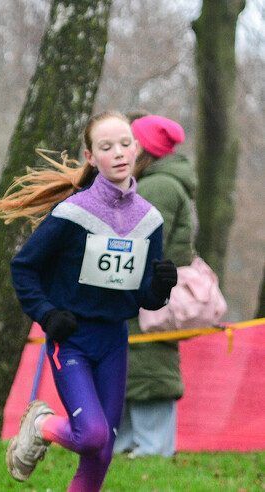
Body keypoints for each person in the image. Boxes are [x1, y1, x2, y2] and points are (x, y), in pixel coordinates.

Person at [0, 111, 178, 491]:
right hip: (72, 337)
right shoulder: (72, 213)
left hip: (114, 340)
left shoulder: (150, 220)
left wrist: (161, 288)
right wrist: (47, 315)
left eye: (125, 144)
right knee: (92, 435)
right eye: (106, 147)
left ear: (137, 148)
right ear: (91, 156)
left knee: (102, 453)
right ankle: (41, 424)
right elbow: (23, 268)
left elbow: (144, 296)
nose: (118, 153)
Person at [113, 113, 196, 458]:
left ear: (145, 149)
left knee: (149, 369)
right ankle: (132, 452)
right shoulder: (159, 182)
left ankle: (149, 453)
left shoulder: (157, 186)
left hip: (146, 299)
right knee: (138, 370)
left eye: (130, 143)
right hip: (142, 300)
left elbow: (138, 242)